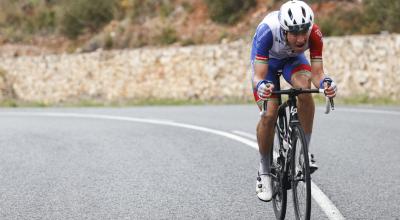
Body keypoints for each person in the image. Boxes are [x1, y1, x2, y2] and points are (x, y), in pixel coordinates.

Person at [250, 0, 337, 202]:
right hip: (267, 65)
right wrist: (262, 85)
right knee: (269, 113)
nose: (300, 39)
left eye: (303, 32)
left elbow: (317, 73)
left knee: (305, 90)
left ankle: (303, 154)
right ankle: (264, 171)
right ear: (284, 29)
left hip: (293, 61)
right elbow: (258, 76)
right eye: (294, 33)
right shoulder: (267, 31)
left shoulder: (314, 34)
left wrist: (327, 83)